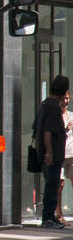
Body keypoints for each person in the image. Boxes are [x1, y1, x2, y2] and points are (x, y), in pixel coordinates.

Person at [34, 75, 70, 231]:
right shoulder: (54, 107)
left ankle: (50, 216)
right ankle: (48, 217)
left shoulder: (45, 104)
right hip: (52, 155)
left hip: (48, 154)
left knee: (52, 185)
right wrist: (49, 153)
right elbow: (48, 131)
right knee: (52, 186)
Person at [59, 95, 73, 227]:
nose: (66, 101)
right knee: (60, 185)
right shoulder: (57, 117)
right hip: (61, 155)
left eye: (67, 99)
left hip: (72, 154)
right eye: (63, 99)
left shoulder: (71, 116)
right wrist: (66, 129)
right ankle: (59, 213)